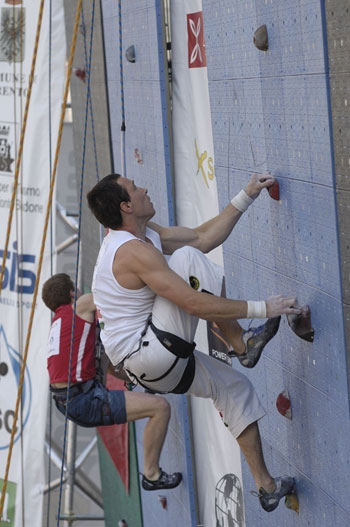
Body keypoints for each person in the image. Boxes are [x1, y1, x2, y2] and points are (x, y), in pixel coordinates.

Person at [86, 173, 301, 512]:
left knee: (235, 389)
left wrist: (246, 195)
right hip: (148, 354)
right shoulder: (129, 251)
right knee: (185, 262)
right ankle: (241, 344)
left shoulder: (145, 235)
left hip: (152, 367)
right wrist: (263, 308)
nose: (145, 187)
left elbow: (202, 237)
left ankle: (267, 487)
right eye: (135, 187)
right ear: (126, 206)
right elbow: (194, 303)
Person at [42, 273, 182, 491]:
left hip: (72, 399)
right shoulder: (79, 306)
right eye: (76, 288)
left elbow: (106, 365)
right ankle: (151, 474)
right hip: (83, 398)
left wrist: (138, 380)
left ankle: (152, 473)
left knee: (107, 351)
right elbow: (115, 294)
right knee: (160, 409)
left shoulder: (59, 324)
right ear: (72, 293)